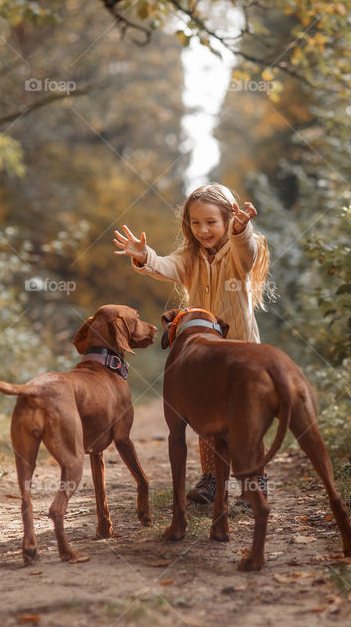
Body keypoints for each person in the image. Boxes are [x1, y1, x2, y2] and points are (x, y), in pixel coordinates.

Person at [112, 182, 271, 506]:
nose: (203, 230)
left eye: (211, 222)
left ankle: (255, 480)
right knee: (207, 414)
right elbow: (166, 266)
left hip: (241, 351)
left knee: (247, 415)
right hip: (205, 355)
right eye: (195, 223)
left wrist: (242, 231)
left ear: (228, 220)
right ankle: (212, 479)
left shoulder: (238, 256)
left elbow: (248, 251)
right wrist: (146, 256)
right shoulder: (191, 258)